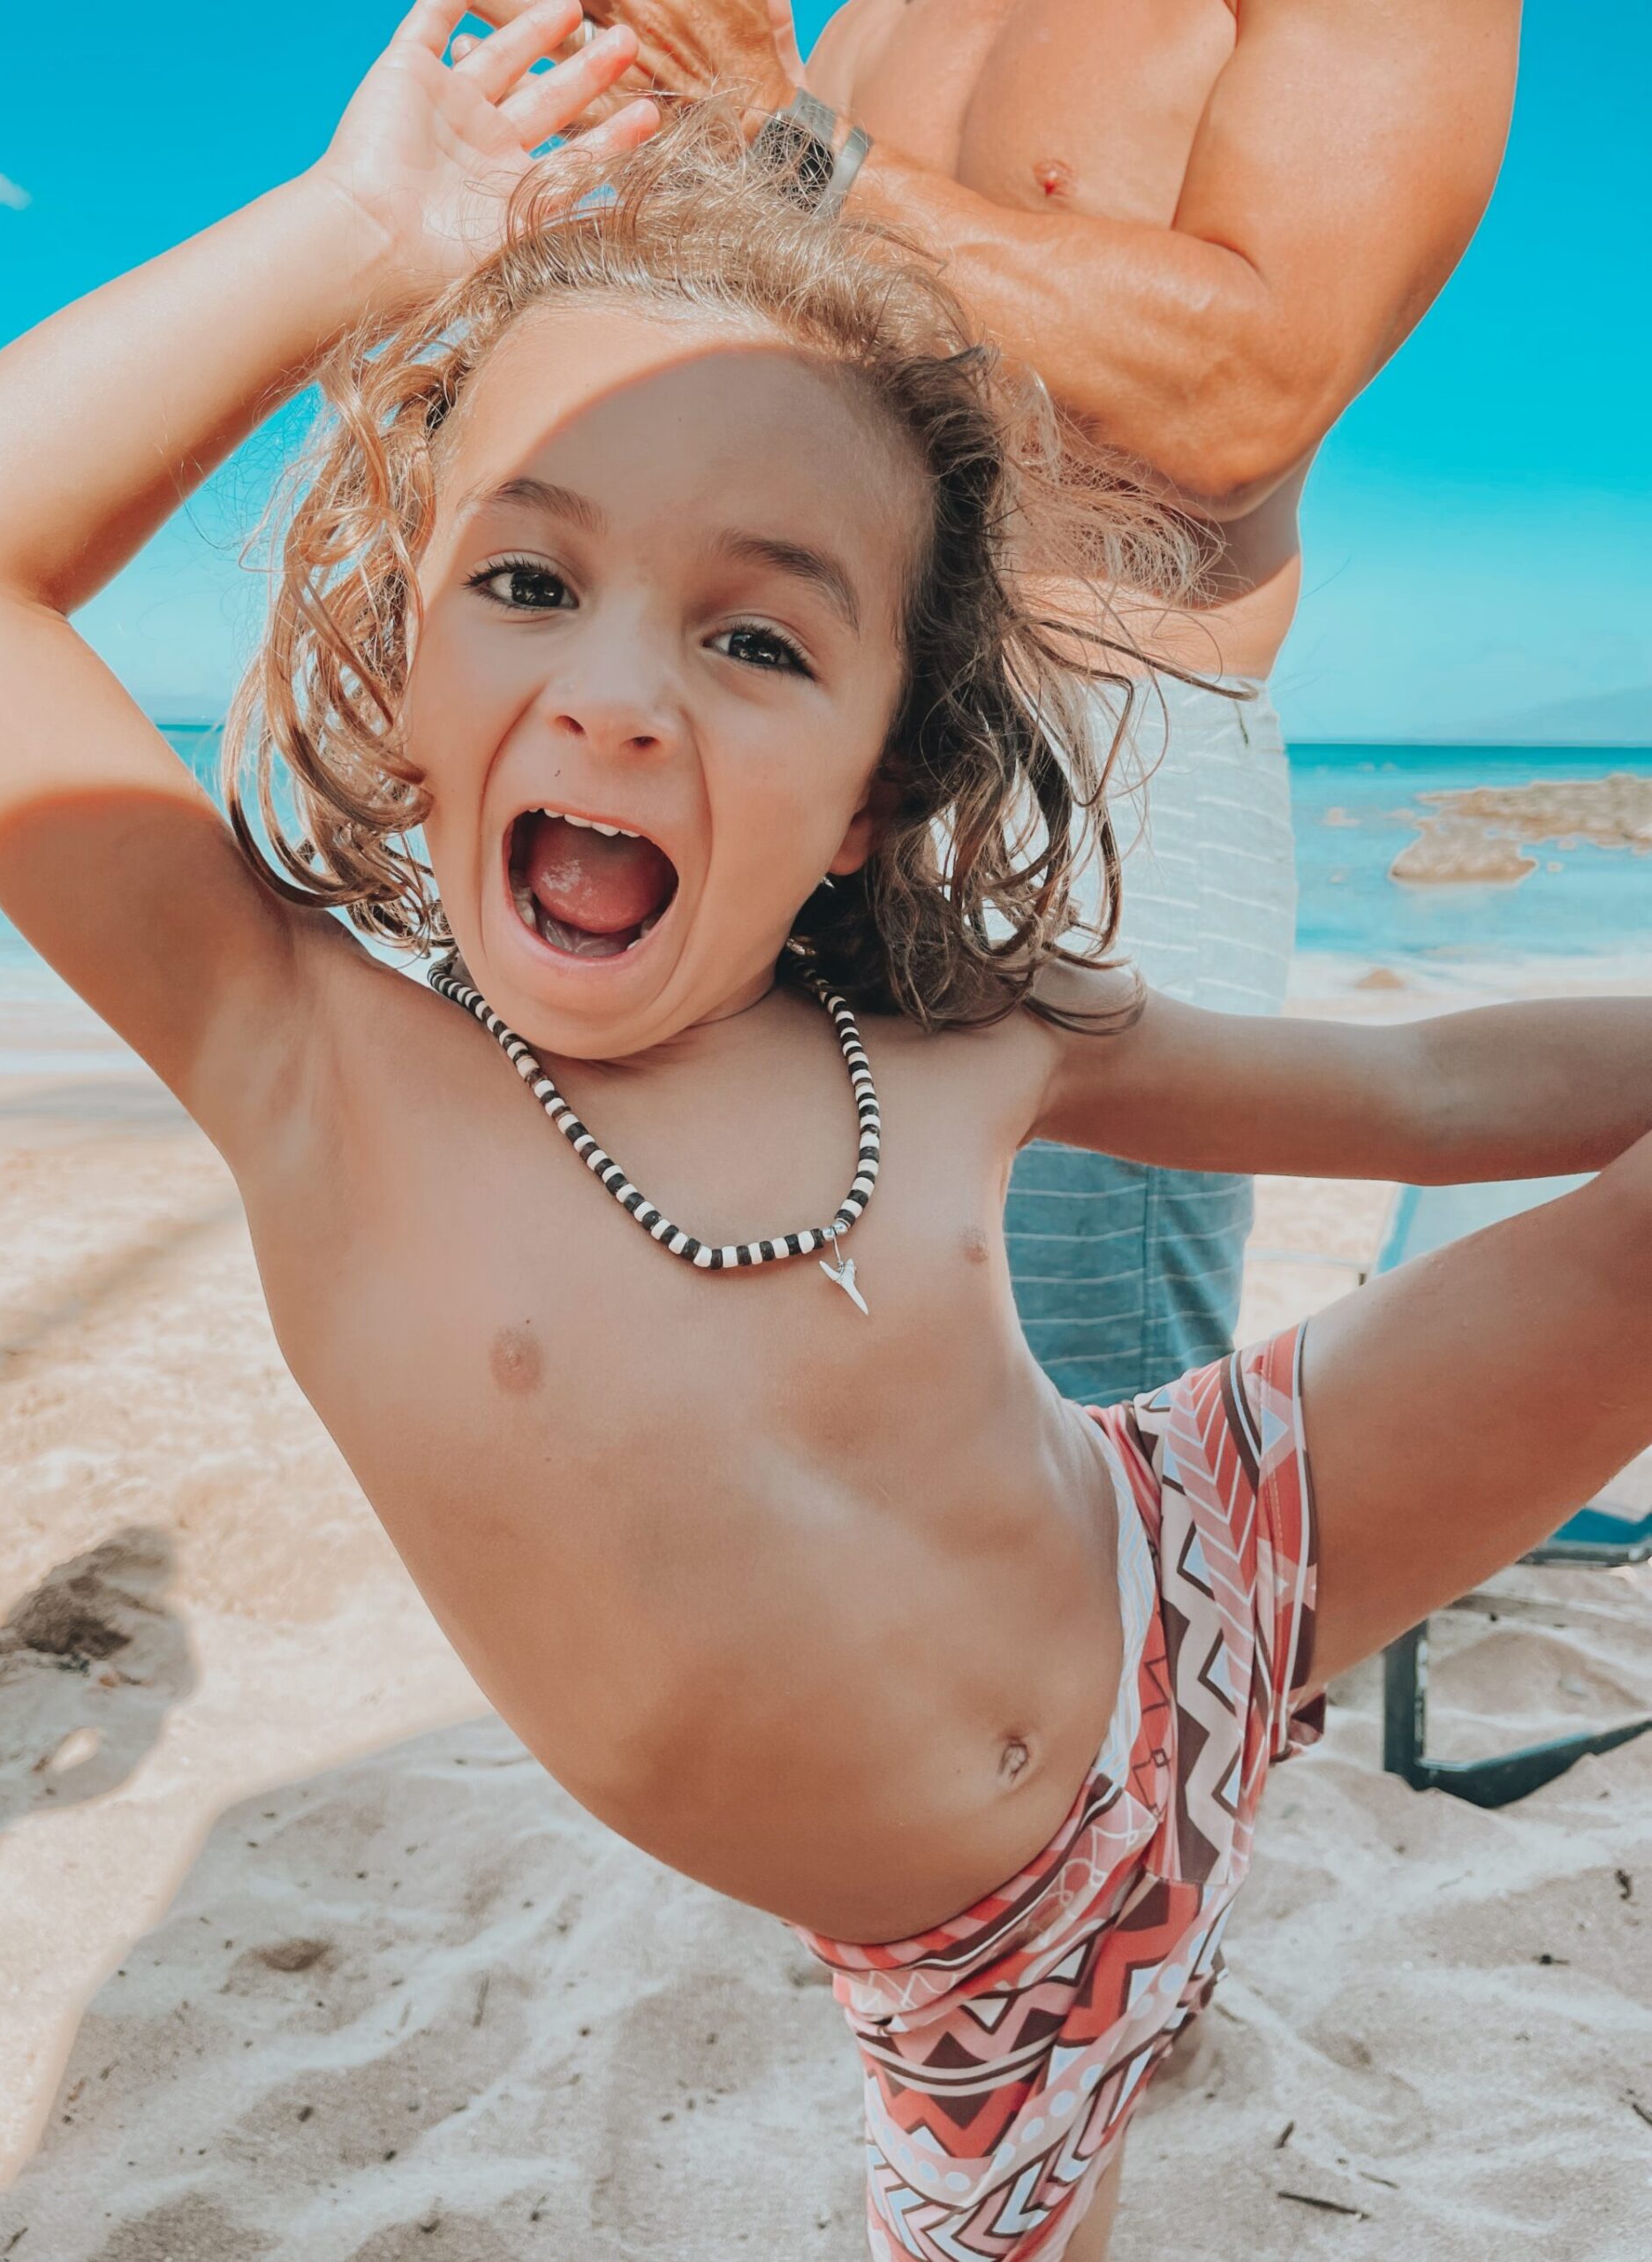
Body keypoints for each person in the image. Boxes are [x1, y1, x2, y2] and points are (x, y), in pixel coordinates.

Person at [0, 11, 1645, 2260]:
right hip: (986, 1968)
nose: (620, 691)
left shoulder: (956, 1036)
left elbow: (1426, 1093)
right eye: (529, 580)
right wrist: (362, 228)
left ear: (867, 789)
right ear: (404, 642)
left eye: (758, 636)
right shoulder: (311, 1069)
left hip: (1216, 1563)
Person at [558, 0, 1524, 1401]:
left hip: (1097, 751)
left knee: (1084, 1443)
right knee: (748, 1382)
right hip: (792, 750)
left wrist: (779, 134)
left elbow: (1241, 397)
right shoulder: (864, 25)